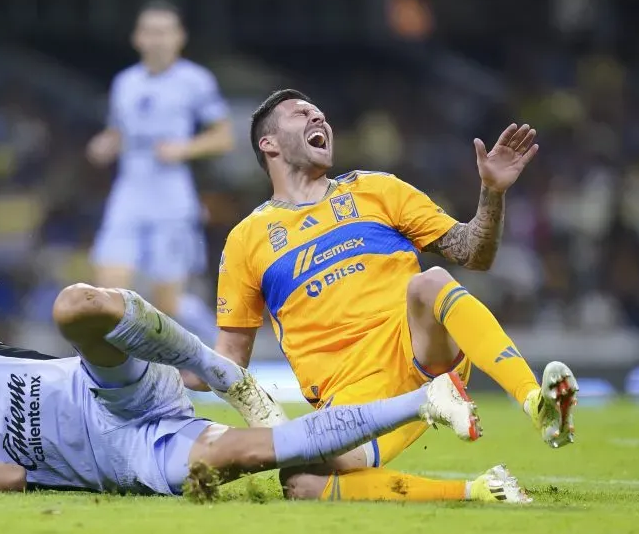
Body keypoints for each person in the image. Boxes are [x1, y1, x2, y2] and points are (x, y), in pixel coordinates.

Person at [0, 285, 524, 501]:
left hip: (105, 389)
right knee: (247, 455)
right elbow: (12, 476)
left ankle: (222, 367)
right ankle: (426, 402)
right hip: (130, 454)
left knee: (75, 305)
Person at [199, 88, 578, 503]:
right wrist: (165, 363)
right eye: (301, 113)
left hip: (415, 349)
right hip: (351, 401)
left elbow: (473, 252)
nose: (318, 118)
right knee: (301, 483)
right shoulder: (245, 241)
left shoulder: (375, 190)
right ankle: (479, 491)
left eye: (320, 113)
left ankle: (535, 403)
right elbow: (230, 359)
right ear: (267, 143)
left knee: (428, 282)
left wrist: (492, 192)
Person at [86, 0, 233, 343]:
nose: (157, 40)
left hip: (171, 197)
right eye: (150, 32)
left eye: (165, 32)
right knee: (107, 293)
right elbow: (118, 133)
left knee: (167, 304)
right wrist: (105, 144)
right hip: (129, 194)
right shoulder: (125, 82)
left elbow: (223, 137)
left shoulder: (195, 81)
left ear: (179, 37)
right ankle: (127, 378)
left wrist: (184, 148)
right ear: (137, 38)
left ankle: (217, 343)